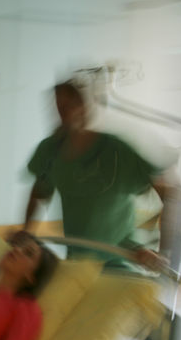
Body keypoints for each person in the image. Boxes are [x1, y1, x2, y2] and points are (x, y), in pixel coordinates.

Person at [23, 80, 167, 269]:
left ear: (86, 106)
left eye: (69, 106)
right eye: (59, 107)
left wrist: (162, 252)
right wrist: (25, 233)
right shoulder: (50, 150)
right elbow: (39, 193)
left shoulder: (116, 151)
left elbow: (166, 192)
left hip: (121, 256)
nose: (63, 113)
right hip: (78, 258)